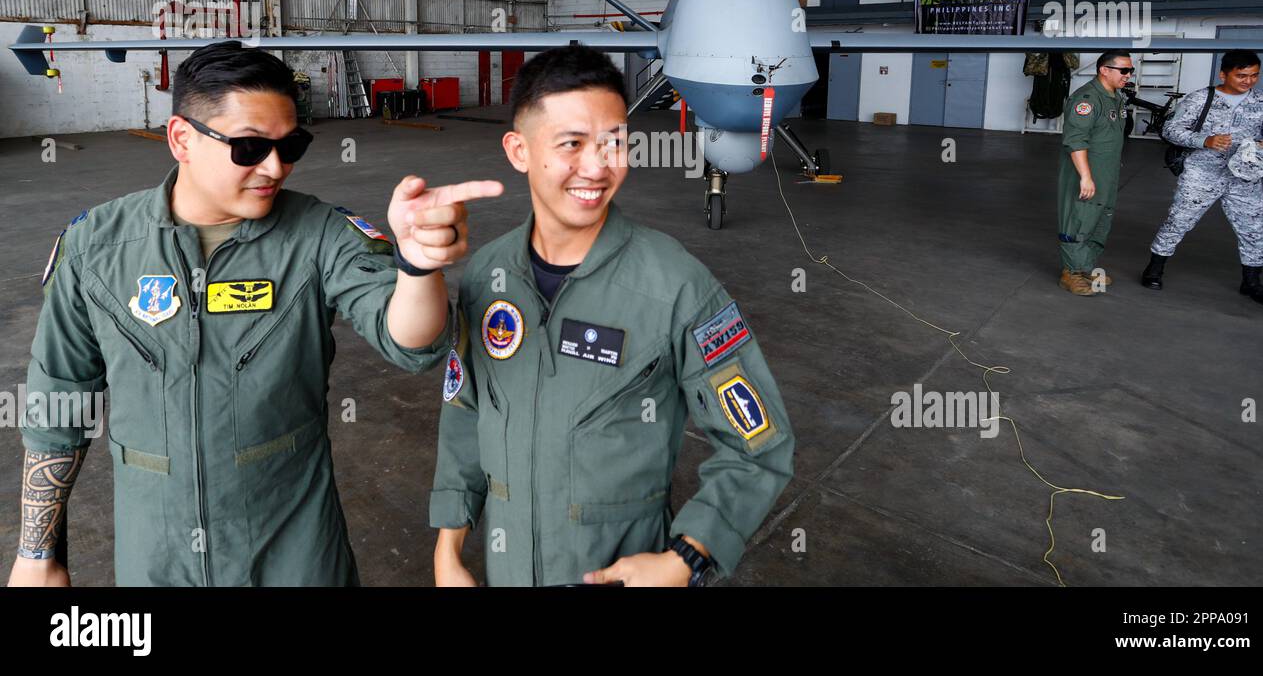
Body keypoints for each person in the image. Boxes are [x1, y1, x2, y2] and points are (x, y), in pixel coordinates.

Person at [10, 41, 501, 586]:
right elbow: (58, 407)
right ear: (182, 139)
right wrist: (38, 554)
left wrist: (416, 266)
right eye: (248, 148)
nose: (275, 167)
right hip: (156, 557)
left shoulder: (318, 237)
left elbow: (410, 341)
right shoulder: (94, 249)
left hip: (293, 553)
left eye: (291, 145)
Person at [428, 46, 794, 586]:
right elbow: (464, 412)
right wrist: (448, 547)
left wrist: (686, 558)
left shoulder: (675, 284)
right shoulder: (487, 275)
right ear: (519, 150)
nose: (598, 167)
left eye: (615, 143)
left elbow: (760, 443)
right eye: (572, 144)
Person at [1141, 51, 1263, 306]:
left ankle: (1252, 281)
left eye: (1254, 76)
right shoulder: (1200, 98)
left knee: (1254, 226)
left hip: (1245, 176)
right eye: (1241, 75)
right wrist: (1203, 140)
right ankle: (1154, 268)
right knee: (1179, 219)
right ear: (1223, 74)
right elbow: (1171, 129)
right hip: (1202, 172)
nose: (1248, 81)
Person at [1057, 50, 1133, 296]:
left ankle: (1085, 265)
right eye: (1124, 70)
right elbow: (1076, 140)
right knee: (1078, 219)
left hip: (1106, 173)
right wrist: (1086, 176)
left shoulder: (1116, 98)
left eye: (1130, 70)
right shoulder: (1087, 99)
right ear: (1104, 70)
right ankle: (1070, 273)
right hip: (1085, 173)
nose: (1128, 75)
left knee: (1100, 219)